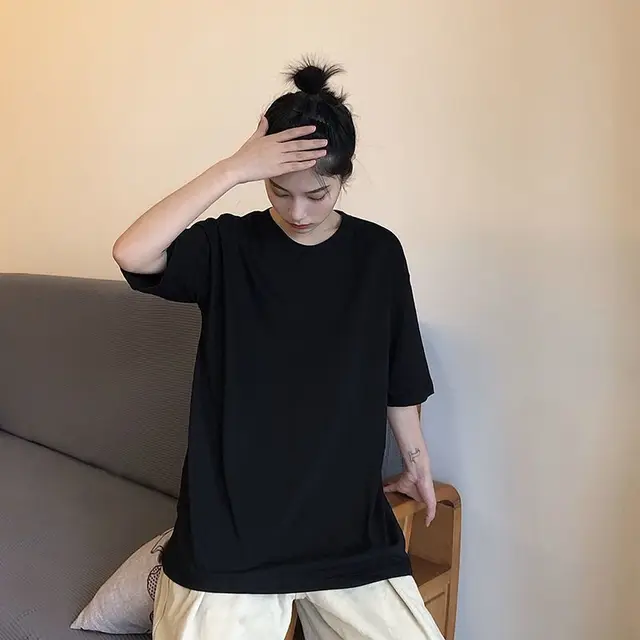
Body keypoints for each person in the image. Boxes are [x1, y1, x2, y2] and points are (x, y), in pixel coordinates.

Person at [113, 58, 444, 640]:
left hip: (345, 527)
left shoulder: (377, 253)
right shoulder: (228, 245)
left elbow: (399, 372)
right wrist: (233, 169)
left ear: (344, 177)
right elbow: (133, 253)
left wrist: (416, 463)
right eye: (278, 190)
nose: (297, 212)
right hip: (230, 533)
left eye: (317, 193)